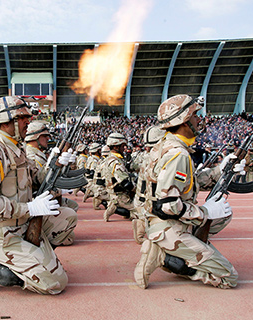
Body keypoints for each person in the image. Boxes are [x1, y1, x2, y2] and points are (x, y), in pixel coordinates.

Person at [134, 95, 241, 289]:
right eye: (195, 116)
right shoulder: (178, 154)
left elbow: (190, 183)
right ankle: (166, 257)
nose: (199, 120)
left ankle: (180, 253)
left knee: (223, 215)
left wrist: (222, 170)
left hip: (164, 223)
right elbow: (167, 205)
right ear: (183, 120)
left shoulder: (166, 147)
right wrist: (205, 213)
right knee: (229, 278)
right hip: (169, 227)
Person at [0, 96, 71, 295]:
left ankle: (33, 261)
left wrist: (57, 164)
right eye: (22, 117)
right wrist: (29, 208)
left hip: (23, 225)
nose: (28, 121)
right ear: (6, 122)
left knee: (67, 218)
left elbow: (37, 179)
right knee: (56, 283)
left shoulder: (17, 148)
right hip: (2, 235)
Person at [25, 120, 78, 245]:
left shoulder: (39, 154)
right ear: (35, 137)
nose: (48, 138)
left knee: (72, 208)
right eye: (44, 136)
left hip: (45, 198)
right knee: (69, 238)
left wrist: (67, 164)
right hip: (37, 202)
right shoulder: (31, 156)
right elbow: (38, 182)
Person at [132, 125, 165, 244]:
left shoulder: (146, 158)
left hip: (141, 201)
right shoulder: (160, 159)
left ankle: (141, 224)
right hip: (151, 204)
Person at [102, 133, 136, 222]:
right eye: (123, 146)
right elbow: (126, 183)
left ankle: (114, 206)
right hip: (120, 195)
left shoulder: (111, 158)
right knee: (142, 213)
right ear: (116, 147)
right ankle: (115, 208)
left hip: (116, 193)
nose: (125, 148)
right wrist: (137, 190)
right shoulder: (115, 161)